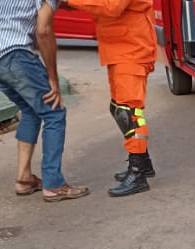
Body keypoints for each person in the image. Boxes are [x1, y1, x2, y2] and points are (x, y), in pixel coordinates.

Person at [0, 0, 89, 202]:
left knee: (30, 109)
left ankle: (24, 179)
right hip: (11, 52)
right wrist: (52, 77)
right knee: (54, 112)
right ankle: (54, 184)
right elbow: (43, 31)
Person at [63, 0, 155, 197]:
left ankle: (138, 173)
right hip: (119, 48)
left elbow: (111, 6)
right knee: (118, 108)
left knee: (129, 113)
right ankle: (143, 163)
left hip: (132, 49)